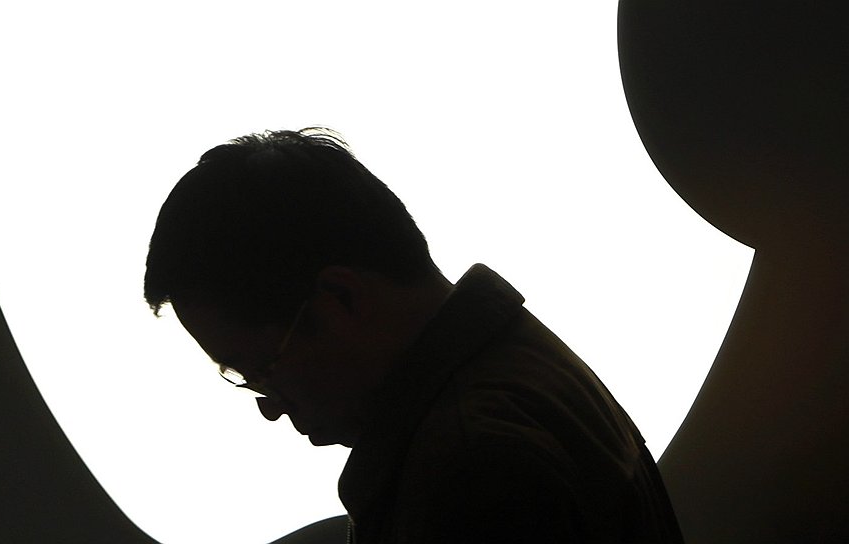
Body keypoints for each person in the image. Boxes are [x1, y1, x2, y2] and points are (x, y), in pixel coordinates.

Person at [144, 128, 683, 543]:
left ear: (341, 297)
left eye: (262, 368)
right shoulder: (523, 373)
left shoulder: (472, 468)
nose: (270, 407)